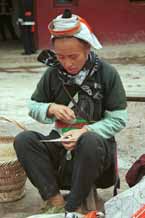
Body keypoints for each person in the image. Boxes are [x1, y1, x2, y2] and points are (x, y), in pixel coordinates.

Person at [14, 9, 128, 218]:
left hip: (95, 150)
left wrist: (85, 130)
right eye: (60, 56)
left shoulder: (107, 73)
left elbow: (119, 119)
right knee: (24, 140)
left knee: (90, 141)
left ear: (87, 47)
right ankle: (54, 199)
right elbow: (33, 106)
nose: (67, 63)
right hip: (61, 142)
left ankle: (72, 206)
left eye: (73, 56)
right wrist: (50, 108)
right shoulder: (53, 73)